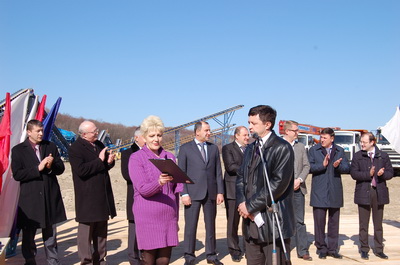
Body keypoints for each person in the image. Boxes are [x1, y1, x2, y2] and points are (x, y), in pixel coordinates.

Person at [236, 105, 295, 265]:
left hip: (272, 223)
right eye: (249, 122)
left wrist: (250, 205)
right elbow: (241, 177)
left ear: (267, 124)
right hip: (251, 221)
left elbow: (278, 184)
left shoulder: (282, 148)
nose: (249, 127)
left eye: (253, 123)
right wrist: (242, 204)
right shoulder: (251, 148)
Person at [128, 115, 183, 265]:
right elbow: (143, 189)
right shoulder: (136, 158)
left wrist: (176, 218)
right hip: (147, 218)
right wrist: (158, 182)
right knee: (148, 260)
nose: (156, 139)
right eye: (152, 135)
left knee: (164, 261)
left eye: (159, 135)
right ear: (144, 137)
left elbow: (175, 192)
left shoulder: (170, 157)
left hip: (168, 217)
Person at [12, 119, 66, 265]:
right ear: (29, 132)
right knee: (29, 235)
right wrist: (38, 168)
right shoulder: (18, 150)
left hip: (49, 196)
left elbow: (61, 169)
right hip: (31, 199)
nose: (41, 133)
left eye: (42, 130)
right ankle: (30, 260)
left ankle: (53, 261)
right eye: (38, 131)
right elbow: (17, 174)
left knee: (51, 235)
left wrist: (51, 165)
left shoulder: (51, 146)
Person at [69, 120, 117, 265]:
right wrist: (100, 160)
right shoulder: (75, 148)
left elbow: (103, 166)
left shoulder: (99, 144)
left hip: (102, 195)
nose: (97, 133)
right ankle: (86, 261)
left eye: (96, 130)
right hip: (87, 197)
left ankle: (100, 260)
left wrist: (109, 162)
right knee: (86, 233)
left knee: (101, 232)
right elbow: (81, 171)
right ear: (83, 134)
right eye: (93, 131)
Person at [178, 121, 225, 265]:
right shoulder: (185, 148)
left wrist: (220, 192)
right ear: (197, 132)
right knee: (191, 226)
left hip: (210, 193)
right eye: (207, 130)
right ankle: (189, 256)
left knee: (210, 225)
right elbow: (181, 174)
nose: (209, 133)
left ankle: (211, 255)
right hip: (192, 194)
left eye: (209, 130)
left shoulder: (213, 149)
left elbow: (218, 171)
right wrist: (184, 194)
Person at [350, 132, 393, 260]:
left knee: (378, 223)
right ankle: (364, 249)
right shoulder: (358, 156)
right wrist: (368, 174)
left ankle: (379, 249)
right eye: (361, 142)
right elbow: (353, 173)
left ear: (372, 142)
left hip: (379, 192)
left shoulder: (383, 156)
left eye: (364, 142)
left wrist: (382, 174)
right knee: (363, 223)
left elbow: (390, 172)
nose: (362, 144)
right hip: (363, 191)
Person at [308, 128, 350, 259]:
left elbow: (347, 168)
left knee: (334, 222)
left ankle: (332, 248)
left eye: (325, 138)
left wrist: (338, 166)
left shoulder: (340, 150)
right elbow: (309, 167)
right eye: (321, 137)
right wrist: (323, 164)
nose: (322, 140)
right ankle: (321, 248)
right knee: (319, 222)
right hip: (319, 191)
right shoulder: (313, 150)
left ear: (332, 138)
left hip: (334, 191)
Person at [282, 120, 312, 261]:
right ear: (287, 131)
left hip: (298, 190)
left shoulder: (300, 147)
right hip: (281, 191)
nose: (297, 133)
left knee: (299, 221)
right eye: (295, 130)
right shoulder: (278, 146)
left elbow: (306, 166)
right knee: (282, 220)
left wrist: (299, 180)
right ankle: (284, 251)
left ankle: (302, 250)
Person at [221, 126, 249, 262]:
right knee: (233, 222)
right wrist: (249, 171)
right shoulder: (228, 148)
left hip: (247, 191)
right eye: (244, 135)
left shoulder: (250, 149)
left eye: (247, 135)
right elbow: (231, 167)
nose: (247, 137)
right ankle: (234, 250)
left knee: (248, 222)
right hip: (232, 191)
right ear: (236, 136)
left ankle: (248, 248)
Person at [120, 127, 145, 265]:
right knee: (134, 230)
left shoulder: (151, 153)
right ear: (136, 138)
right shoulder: (127, 154)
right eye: (145, 136)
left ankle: (145, 257)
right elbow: (127, 175)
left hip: (150, 197)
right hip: (135, 196)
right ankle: (133, 259)